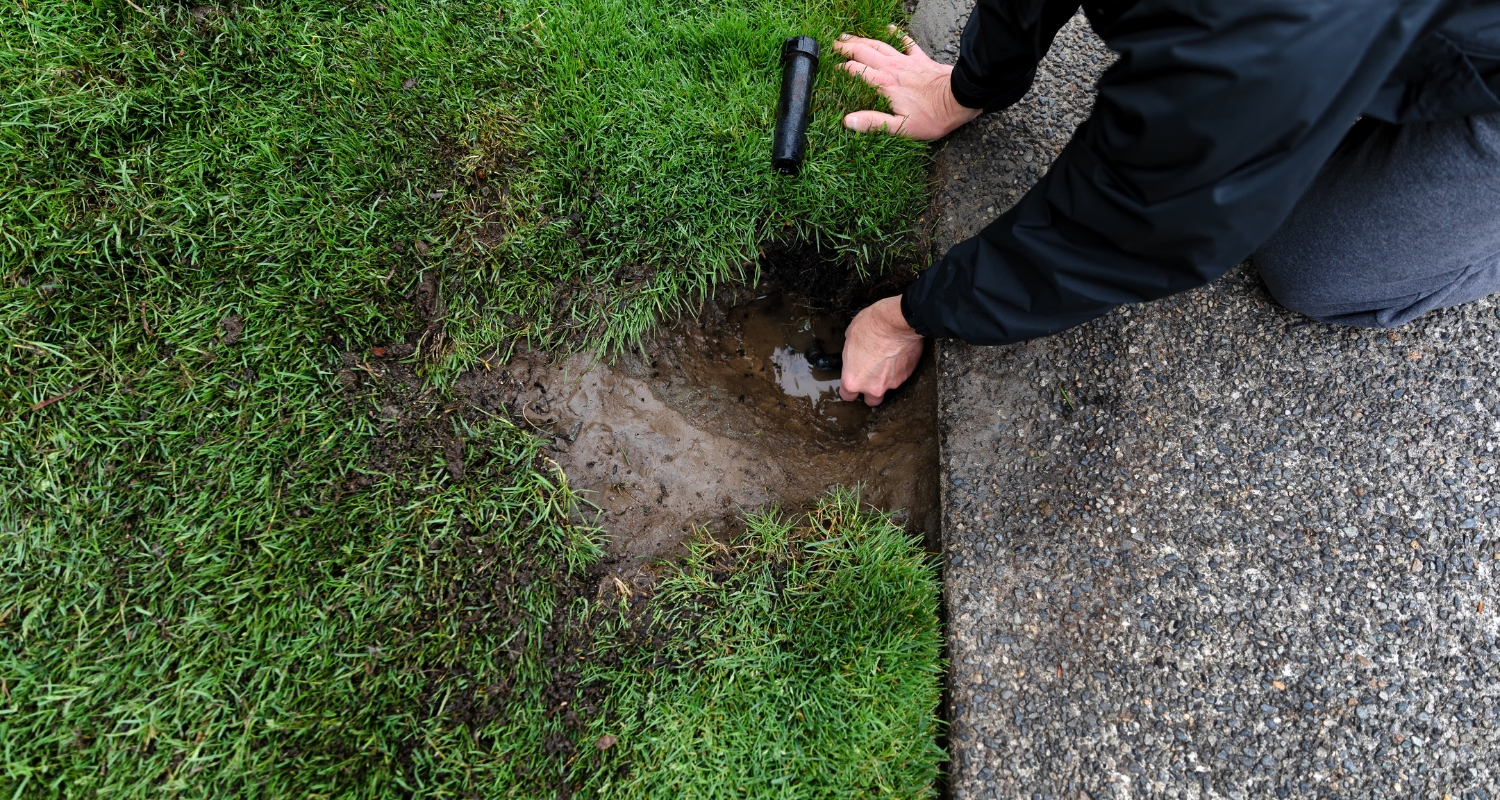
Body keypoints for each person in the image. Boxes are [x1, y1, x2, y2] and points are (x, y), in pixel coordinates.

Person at [834, 0, 1500, 406]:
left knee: (1316, 269)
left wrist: (907, 318)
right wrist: (969, 86)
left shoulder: (1264, 30)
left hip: (1425, 48)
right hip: (1374, 31)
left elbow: (1137, 222)